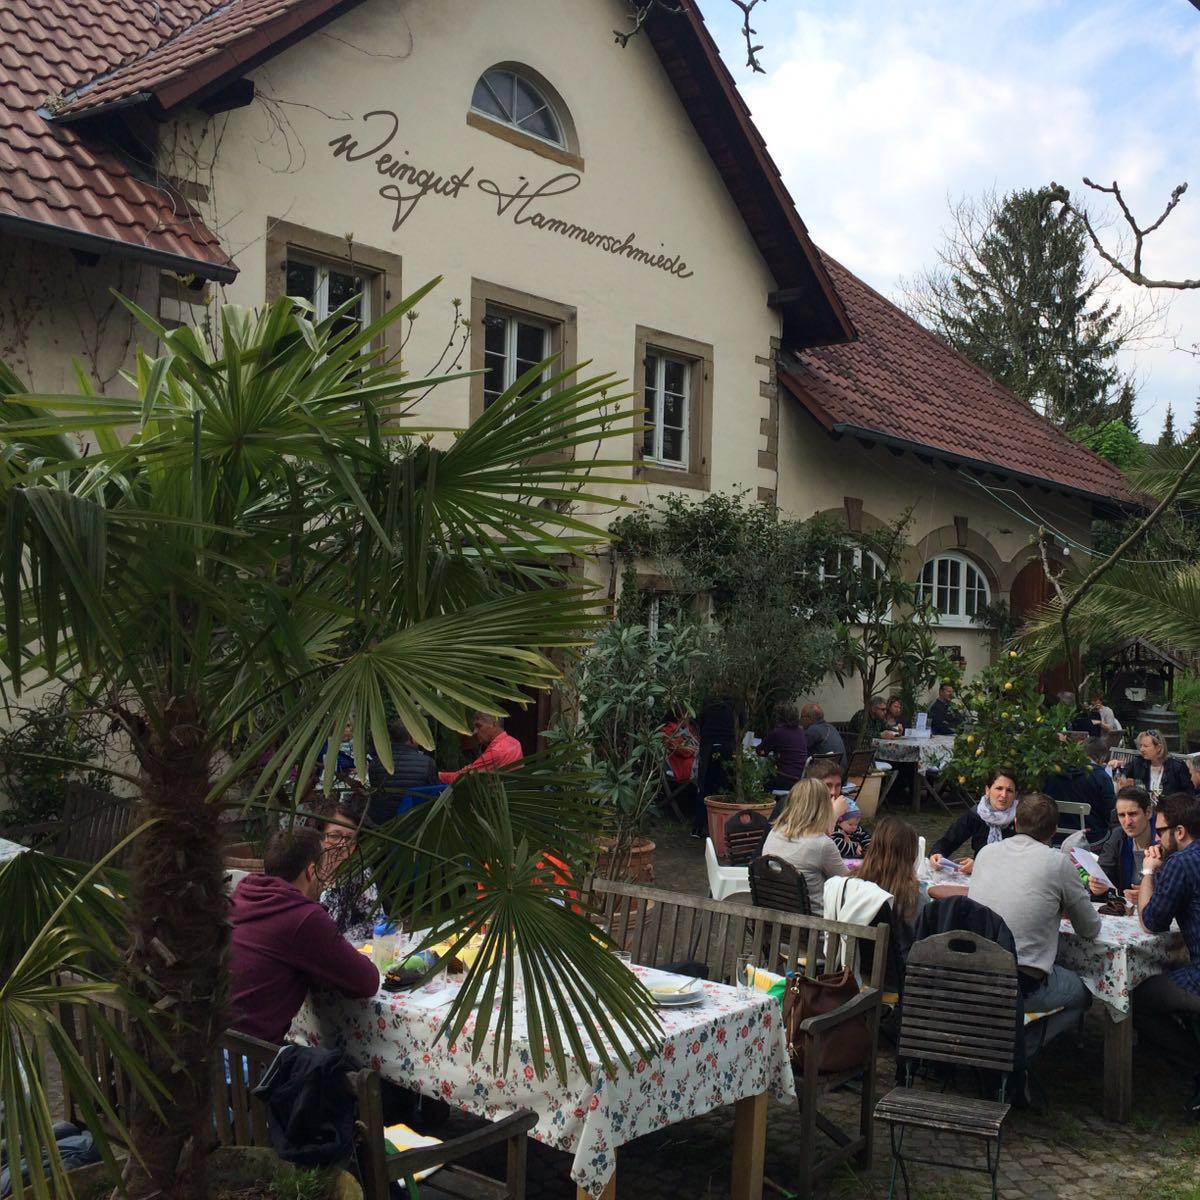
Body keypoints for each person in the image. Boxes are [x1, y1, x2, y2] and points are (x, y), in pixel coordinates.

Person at [229, 828, 380, 1044]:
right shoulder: (302, 916)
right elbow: (366, 981)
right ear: (311, 871)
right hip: (258, 1063)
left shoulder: (242, 896)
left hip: (216, 1053)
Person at [967, 792, 1099, 1022]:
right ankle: (1023, 1047)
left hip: (975, 970)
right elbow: (1089, 928)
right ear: (1054, 830)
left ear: (1016, 822)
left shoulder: (985, 853)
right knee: (1085, 992)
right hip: (1021, 980)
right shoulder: (1057, 863)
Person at [1135, 791, 1200, 1115]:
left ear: (1179, 832)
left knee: (1136, 997)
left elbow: (1150, 922)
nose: (1156, 835)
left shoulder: (1181, 861)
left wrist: (1148, 871)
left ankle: (1195, 1069)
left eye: (1160, 830)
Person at [760, 778, 849, 915]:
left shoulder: (775, 831)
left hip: (775, 920)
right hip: (813, 927)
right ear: (823, 807)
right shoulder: (821, 844)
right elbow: (848, 884)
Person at [311, 796, 381, 942]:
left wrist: (342, 942)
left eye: (350, 838)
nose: (343, 844)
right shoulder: (306, 871)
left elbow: (377, 920)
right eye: (335, 836)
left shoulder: (356, 871)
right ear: (319, 837)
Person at [928, 767, 1019, 874]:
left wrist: (979, 865)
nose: (1003, 795)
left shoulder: (1021, 818)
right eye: (999, 788)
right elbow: (948, 841)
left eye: (1009, 790)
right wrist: (936, 854)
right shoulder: (976, 814)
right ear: (988, 790)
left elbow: (1024, 860)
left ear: (1015, 795)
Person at [368, 717, 439, 826]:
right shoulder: (427, 763)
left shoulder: (376, 763)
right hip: (414, 825)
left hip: (382, 827)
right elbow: (434, 796)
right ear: (412, 738)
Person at [1042, 737, 1115, 841]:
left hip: (1055, 836)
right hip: (1091, 839)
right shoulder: (1101, 777)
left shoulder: (1053, 773)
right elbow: (1110, 813)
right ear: (1101, 759)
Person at [1090, 785, 1156, 898]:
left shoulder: (1165, 838)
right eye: (1121, 815)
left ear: (1148, 812)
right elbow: (1104, 873)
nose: (1127, 822)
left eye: (1133, 814)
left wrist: (1151, 894)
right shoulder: (1118, 836)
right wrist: (1097, 886)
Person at [691, 694, 739, 836]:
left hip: (708, 748)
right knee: (724, 786)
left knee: (705, 786)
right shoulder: (735, 706)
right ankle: (720, 829)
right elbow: (741, 725)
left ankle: (698, 827)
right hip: (727, 747)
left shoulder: (708, 704)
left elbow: (699, 723)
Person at [437, 711, 523, 785]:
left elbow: (460, 779)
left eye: (479, 726)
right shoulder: (514, 743)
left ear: (494, 723)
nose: (475, 732)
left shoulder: (496, 751)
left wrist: (434, 774)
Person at [1115, 729, 1192, 799]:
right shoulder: (1138, 763)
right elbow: (1122, 775)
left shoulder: (1177, 767)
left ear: (1158, 748)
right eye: (1141, 746)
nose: (1141, 749)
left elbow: (1189, 794)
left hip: (1170, 810)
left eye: (1145, 746)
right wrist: (1116, 767)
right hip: (1143, 809)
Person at [756, 701, 809, 792]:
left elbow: (761, 751)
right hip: (798, 777)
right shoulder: (800, 732)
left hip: (784, 777)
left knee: (761, 786)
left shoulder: (778, 732)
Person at [799, 703, 847, 773]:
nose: (800, 720)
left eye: (802, 717)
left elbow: (799, 752)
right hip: (840, 775)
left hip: (825, 776)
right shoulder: (832, 728)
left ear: (809, 718)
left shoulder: (813, 731)